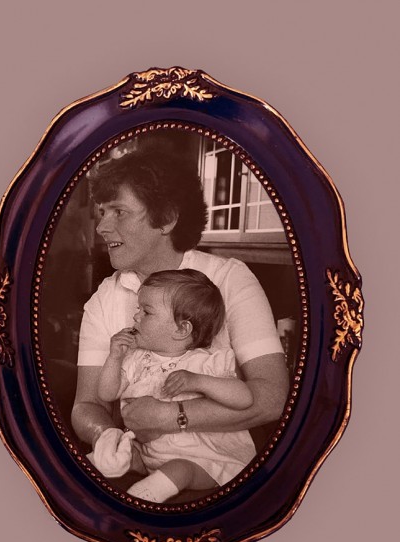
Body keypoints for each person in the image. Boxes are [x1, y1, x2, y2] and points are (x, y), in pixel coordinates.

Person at [72, 146, 289, 473]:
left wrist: (170, 417)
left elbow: (272, 398)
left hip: (223, 473)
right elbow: (87, 404)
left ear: (167, 219)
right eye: (103, 212)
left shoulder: (230, 279)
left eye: (119, 211)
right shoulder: (104, 298)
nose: (101, 227)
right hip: (141, 466)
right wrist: (109, 439)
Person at [88, 269, 256, 502]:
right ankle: (95, 469)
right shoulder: (137, 358)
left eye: (146, 311)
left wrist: (198, 381)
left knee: (180, 469)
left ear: (181, 329)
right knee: (113, 447)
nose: (135, 316)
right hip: (149, 454)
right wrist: (115, 357)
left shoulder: (208, 362)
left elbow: (245, 398)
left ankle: (143, 498)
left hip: (203, 460)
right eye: (138, 309)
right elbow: (107, 393)